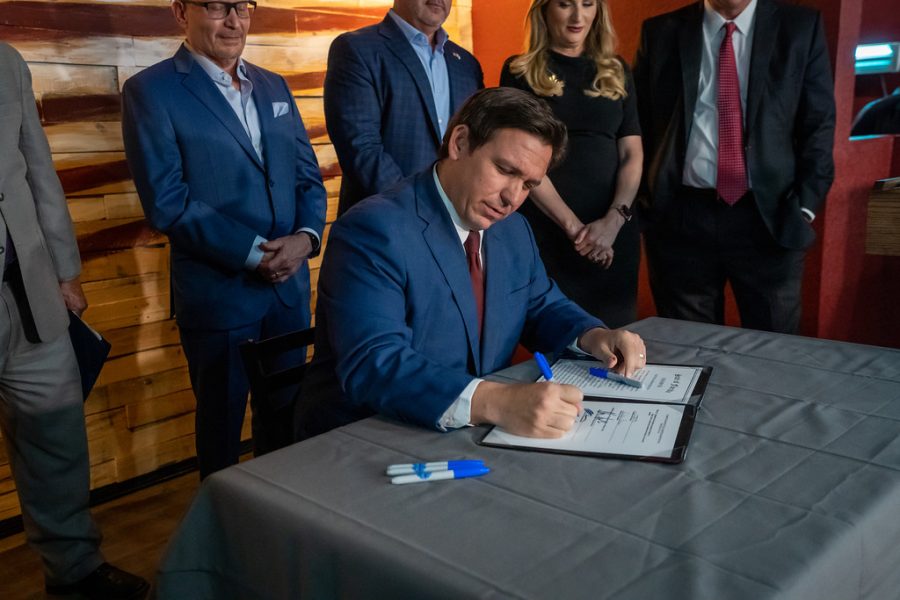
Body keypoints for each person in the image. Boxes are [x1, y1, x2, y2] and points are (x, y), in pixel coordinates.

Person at [296, 87, 646, 440]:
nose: (512, 198)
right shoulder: (373, 230)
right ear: (460, 143)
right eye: (504, 169)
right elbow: (374, 363)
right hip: (365, 438)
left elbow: (540, 305)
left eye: (528, 184)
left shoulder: (513, 229)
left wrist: (593, 336)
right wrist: (496, 402)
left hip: (468, 434)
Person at [121, 0, 327, 478]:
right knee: (221, 430)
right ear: (180, 12)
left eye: (243, 6)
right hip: (219, 292)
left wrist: (306, 238)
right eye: (217, 6)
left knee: (286, 419)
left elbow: (307, 178)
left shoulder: (274, 85)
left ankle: (281, 522)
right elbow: (168, 200)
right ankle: (224, 537)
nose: (234, 20)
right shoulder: (150, 91)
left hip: (289, 287)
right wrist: (254, 254)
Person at [0, 42, 148, 599]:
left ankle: (75, 573)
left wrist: (65, 271)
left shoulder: (6, 62)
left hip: (30, 295)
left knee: (57, 444)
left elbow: (38, 170)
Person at [633, 0, 835, 334]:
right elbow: (639, 122)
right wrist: (648, 202)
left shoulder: (799, 28)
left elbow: (819, 123)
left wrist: (805, 207)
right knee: (689, 350)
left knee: (774, 351)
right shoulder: (660, 31)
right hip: (680, 217)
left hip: (770, 215)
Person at [500, 0, 643, 327]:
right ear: (545, 10)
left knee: (616, 339)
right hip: (550, 230)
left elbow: (631, 154)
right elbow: (522, 159)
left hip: (614, 232)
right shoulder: (519, 71)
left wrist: (613, 221)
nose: (578, 16)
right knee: (557, 335)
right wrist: (577, 230)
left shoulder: (617, 70)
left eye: (587, 4)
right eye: (565, 4)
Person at [324, 0, 484, 216]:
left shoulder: (466, 64)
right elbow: (362, 148)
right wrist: (420, 211)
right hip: (384, 223)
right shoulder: (357, 49)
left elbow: (477, 146)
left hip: (455, 221)